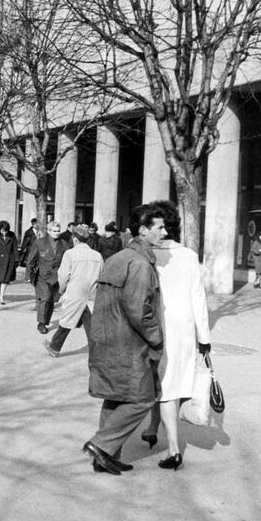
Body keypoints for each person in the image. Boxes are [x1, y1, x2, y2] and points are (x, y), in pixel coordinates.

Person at [82, 203, 166, 475]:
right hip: (127, 344)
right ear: (143, 231)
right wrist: (156, 338)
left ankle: (104, 458)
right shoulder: (140, 263)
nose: (164, 233)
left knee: (114, 397)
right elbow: (139, 309)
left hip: (106, 340)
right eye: (159, 227)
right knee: (143, 398)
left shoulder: (118, 258)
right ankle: (101, 445)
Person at [139, 201, 211, 470]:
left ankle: (172, 449)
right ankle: (153, 426)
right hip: (184, 330)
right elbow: (198, 299)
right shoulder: (189, 255)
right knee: (172, 382)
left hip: (155, 327)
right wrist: (204, 338)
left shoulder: (147, 254)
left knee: (162, 384)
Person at [44, 224, 103, 357]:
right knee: (91, 325)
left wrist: (62, 290)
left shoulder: (70, 254)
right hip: (91, 294)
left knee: (67, 321)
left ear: (75, 239)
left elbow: (63, 276)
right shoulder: (97, 256)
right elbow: (101, 275)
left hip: (75, 293)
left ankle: (54, 347)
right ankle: (98, 352)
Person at [25, 221, 68, 333]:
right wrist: (28, 275)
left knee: (51, 301)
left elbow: (68, 261)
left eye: (58, 231)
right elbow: (31, 259)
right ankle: (41, 323)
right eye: (54, 231)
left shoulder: (64, 244)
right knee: (45, 298)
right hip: (42, 276)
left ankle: (45, 321)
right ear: (48, 231)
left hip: (57, 277)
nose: (56, 233)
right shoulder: (40, 242)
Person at [0, 220, 18, 305]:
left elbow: (15, 248)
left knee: (5, 280)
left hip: (9, 260)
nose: (4, 233)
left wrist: (16, 260)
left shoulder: (12, 235)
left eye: (6, 231)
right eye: (2, 231)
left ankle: (2, 297)